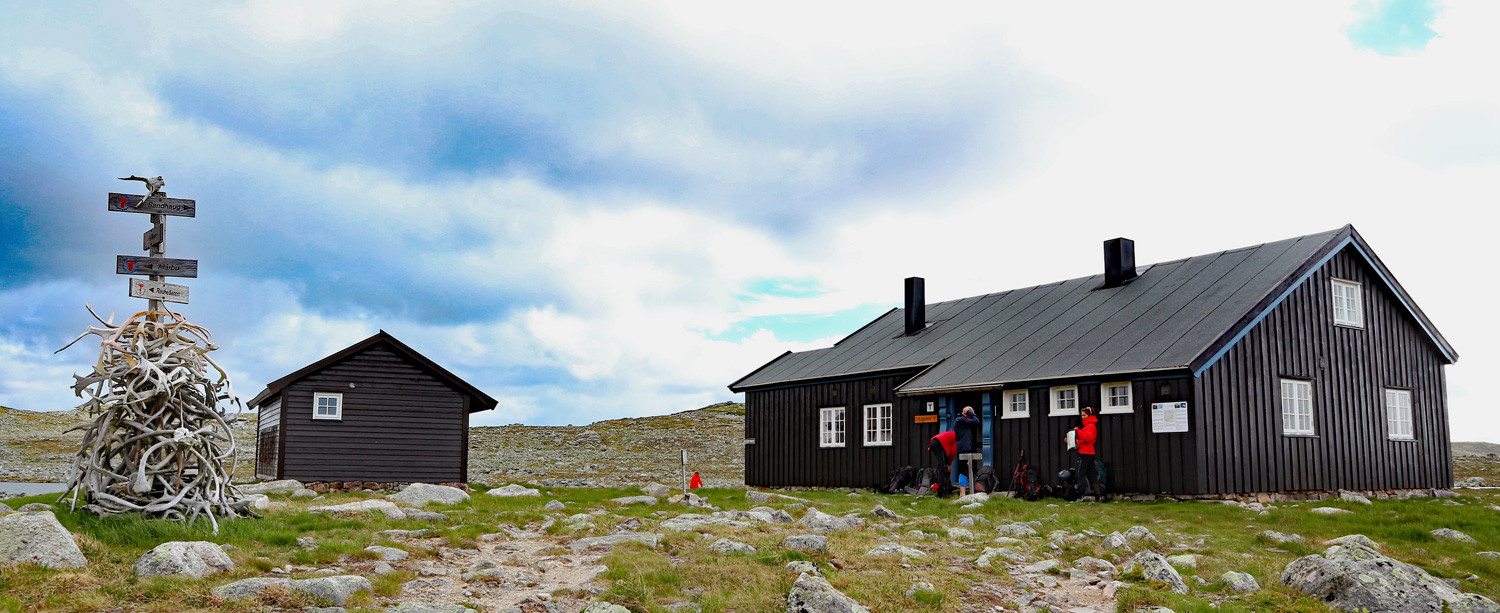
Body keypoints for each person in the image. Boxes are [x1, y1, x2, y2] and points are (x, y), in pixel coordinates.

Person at [1072, 406, 1104, 501]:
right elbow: (1084, 441)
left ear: (1089, 415)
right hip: (1088, 453)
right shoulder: (1089, 426)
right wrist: (1073, 441)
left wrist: (1077, 431)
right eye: (1081, 415)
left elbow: (1088, 438)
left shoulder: (1091, 426)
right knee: (1091, 475)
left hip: (1085, 453)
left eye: (1084, 415)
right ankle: (1098, 495)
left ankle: (1080, 495)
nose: (1082, 417)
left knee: (1080, 473)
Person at [952, 406, 980, 490]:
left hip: (967, 447)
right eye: (970, 414)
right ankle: (962, 491)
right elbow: (976, 421)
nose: (971, 416)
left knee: (968, 470)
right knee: (964, 470)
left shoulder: (963, 420)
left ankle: (967, 488)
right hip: (963, 448)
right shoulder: (960, 419)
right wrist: (970, 412)